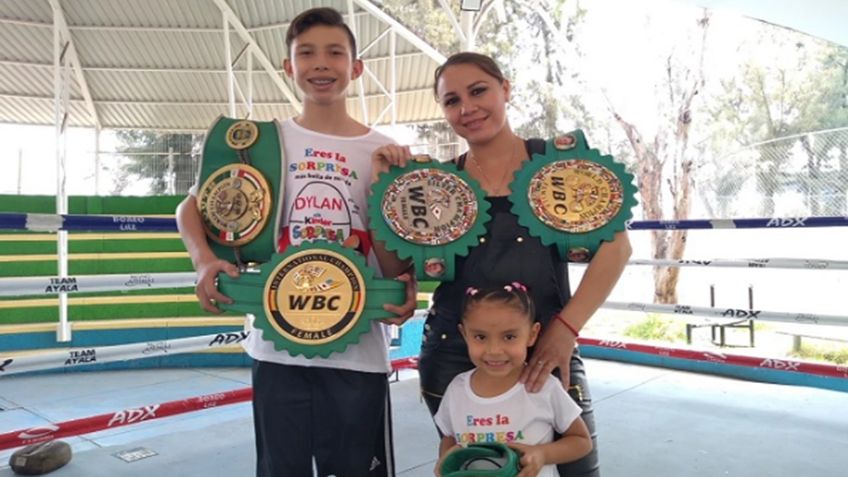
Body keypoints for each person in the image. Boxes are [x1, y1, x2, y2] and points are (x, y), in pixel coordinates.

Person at [176, 7, 416, 477]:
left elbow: (395, 264)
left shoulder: (386, 151)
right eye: (306, 53)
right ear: (289, 67)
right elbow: (191, 207)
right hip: (275, 346)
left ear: (356, 67)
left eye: (335, 53)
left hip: (358, 349)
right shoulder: (262, 142)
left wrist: (403, 279)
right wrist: (203, 260)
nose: (321, 63)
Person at [373, 52, 632, 476]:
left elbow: (616, 249)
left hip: (545, 346)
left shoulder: (558, 166)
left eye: (478, 91)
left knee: (578, 468)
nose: (467, 108)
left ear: (505, 89)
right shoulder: (435, 184)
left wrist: (565, 330)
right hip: (455, 353)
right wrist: (383, 188)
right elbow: (396, 269)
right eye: (452, 101)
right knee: (476, 470)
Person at [434, 284, 593, 477]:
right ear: (465, 334)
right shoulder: (457, 389)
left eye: (509, 337)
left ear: (532, 335)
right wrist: (446, 461)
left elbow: (581, 441)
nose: (494, 350)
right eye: (480, 337)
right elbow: (449, 437)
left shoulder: (543, 387)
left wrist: (542, 454)